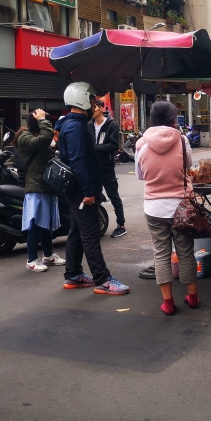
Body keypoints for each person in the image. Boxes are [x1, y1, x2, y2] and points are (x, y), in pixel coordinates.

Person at [58, 82, 130, 295]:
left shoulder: (68, 124)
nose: (94, 105)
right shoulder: (77, 127)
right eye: (91, 100)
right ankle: (103, 280)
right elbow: (79, 161)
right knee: (90, 234)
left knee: (77, 232)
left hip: (75, 188)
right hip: (81, 190)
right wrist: (89, 191)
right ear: (82, 99)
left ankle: (73, 274)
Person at [135, 101, 199, 316]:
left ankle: (168, 302)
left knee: (161, 254)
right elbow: (188, 166)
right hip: (180, 206)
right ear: (173, 119)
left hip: (154, 207)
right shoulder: (182, 141)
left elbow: (140, 175)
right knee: (186, 253)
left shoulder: (141, 143)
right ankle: (193, 297)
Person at [14, 109, 65, 272]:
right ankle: (31, 259)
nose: (49, 125)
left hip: (46, 186)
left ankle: (48, 255)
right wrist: (43, 122)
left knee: (46, 224)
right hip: (36, 187)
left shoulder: (38, 137)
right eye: (45, 122)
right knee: (35, 224)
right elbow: (43, 140)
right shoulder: (25, 137)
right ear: (38, 122)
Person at [89, 99, 127, 238]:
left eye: (93, 108)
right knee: (94, 196)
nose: (91, 111)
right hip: (93, 167)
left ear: (99, 108)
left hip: (106, 167)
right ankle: (95, 225)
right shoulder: (89, 125)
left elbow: (113, 145)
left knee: (113, 196)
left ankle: (121, 225)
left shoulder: (111, 125)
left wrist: (93, 149)